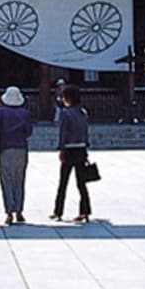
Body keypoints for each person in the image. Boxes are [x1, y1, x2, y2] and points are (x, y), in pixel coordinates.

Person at [0, 85, 33, 225]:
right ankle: (19, 211)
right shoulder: (25, 113)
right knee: (20, 180)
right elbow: (29, 131)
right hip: (21, 148)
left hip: (5, 148)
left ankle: (9, 211)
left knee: (6, 180)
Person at [49, 85, 92, 223]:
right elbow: (85, 132)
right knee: (81, 183)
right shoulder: (83, 112)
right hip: (81, 148)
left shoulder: (65, 113)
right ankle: (85, 211)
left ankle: (58, 211)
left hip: (69, 149)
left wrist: (61, 149)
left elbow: (64, 133)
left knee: (63, 182)